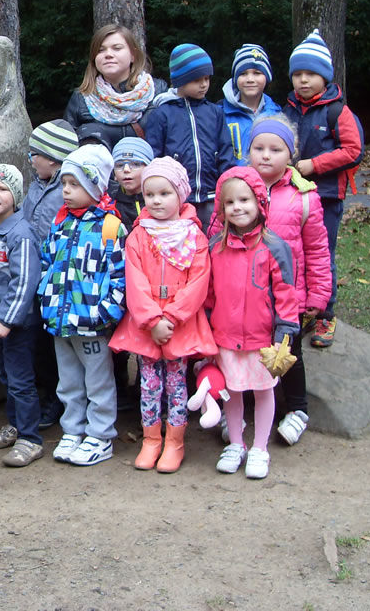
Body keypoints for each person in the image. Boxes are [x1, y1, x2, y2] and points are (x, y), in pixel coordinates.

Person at [110, 157, 217, 473]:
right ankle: (151, 440)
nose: (156, 201)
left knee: (177, 384)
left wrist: (171, 318)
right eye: (150, 194)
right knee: (149, 383)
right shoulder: (138, 235)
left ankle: (175, 442)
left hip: (178, 323)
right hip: (147, 324)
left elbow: (198, 281)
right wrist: (152, 320)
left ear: (180, 195)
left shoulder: (194, 236)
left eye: (165, 193)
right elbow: (135, 280)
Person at [207, 167, 299, 480]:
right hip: (225, 337)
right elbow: (209, 295)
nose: (237, 207)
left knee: (263, 391)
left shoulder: (274, 246)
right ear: (222, 208)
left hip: (263, 340)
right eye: (230, 202)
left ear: (259, 201)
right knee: (231, 392)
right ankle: (236, 443)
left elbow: (286, 292)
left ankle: (260, 447)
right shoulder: (215, 247)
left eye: (244, 200)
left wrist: (285, 331)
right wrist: (206, 330)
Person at [247, 115, 332, 446]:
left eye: (276, 149)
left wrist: (318, 295)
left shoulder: (304, 197)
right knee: (243, 353)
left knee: (289, 354)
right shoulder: (236, 188)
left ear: (291, 154)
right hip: (246, 295)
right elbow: (217, 240)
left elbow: (318, 250)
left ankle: (297, 410)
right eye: (259, 148)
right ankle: (239, 411)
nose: (266, 155)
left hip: (287, 298)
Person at [39, 145, 126, 466]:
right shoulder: (60, 223)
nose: (66, 190)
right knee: (69, 381)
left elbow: (120, 276)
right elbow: (47, 263)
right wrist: (46, 299)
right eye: (64, 183)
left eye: (74, 184)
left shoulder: (111, 227)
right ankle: (73, 430)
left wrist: (105, 313)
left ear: (95, 186)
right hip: (60, 320)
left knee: (98, 382)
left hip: (92, 323)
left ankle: (100, 435)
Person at [283, 29, 364, 348]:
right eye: (297, 74)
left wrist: (314, 165)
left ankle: (325, 315)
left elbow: (353, 151)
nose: (303, 80)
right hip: (293, 196)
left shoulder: (336, 111)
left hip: (327, 196)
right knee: (297, 253)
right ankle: (304, 309)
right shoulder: (288, 108)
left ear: (325, 77)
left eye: (311, 74)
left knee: (322, 254)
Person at [0, 164, 43, 467]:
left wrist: (6, 320)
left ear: (15, 196)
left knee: (21, 381)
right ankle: (16, 426)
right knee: (6, 376)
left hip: (17, 324)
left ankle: (31, 439)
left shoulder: (21, 233)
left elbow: (24, 282)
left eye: (2, 189)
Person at [21, 119, 80, 429]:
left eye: (35, 154)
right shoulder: (35, 185)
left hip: (58, 278)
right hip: (32, 275)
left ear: (54, 159)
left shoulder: (66, 189)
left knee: (54, 344)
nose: (31, 159)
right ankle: (45, 394)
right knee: (36, 343)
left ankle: (58, 399)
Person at [146, 43, 235, 232]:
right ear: (180, 80)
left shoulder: (215, 113)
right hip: (177, 200)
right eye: (196, 80)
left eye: (207, 78)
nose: (204, 85)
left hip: (212, 196)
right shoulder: (162, 114)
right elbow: (154, 157)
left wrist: (228, 186)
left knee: (214, 240)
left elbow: (226, 152)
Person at [63, 24, 157, 149]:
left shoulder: (157, 92)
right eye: (100, 50)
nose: (108, 54)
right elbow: (66, 148)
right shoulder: (81, 99)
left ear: (133, 55)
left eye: (117, 48)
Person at [220, 44, 280, 165]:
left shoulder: (277, 114)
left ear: (267, 77)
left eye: (257, 73)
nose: (250, 79)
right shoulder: (220, 114)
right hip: (231, 176)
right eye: (243, 74)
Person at [110, 137, 155, 230]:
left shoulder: (159, 201)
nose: (126, 169)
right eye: (119, 165)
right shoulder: (109, 205)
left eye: (135, 164)